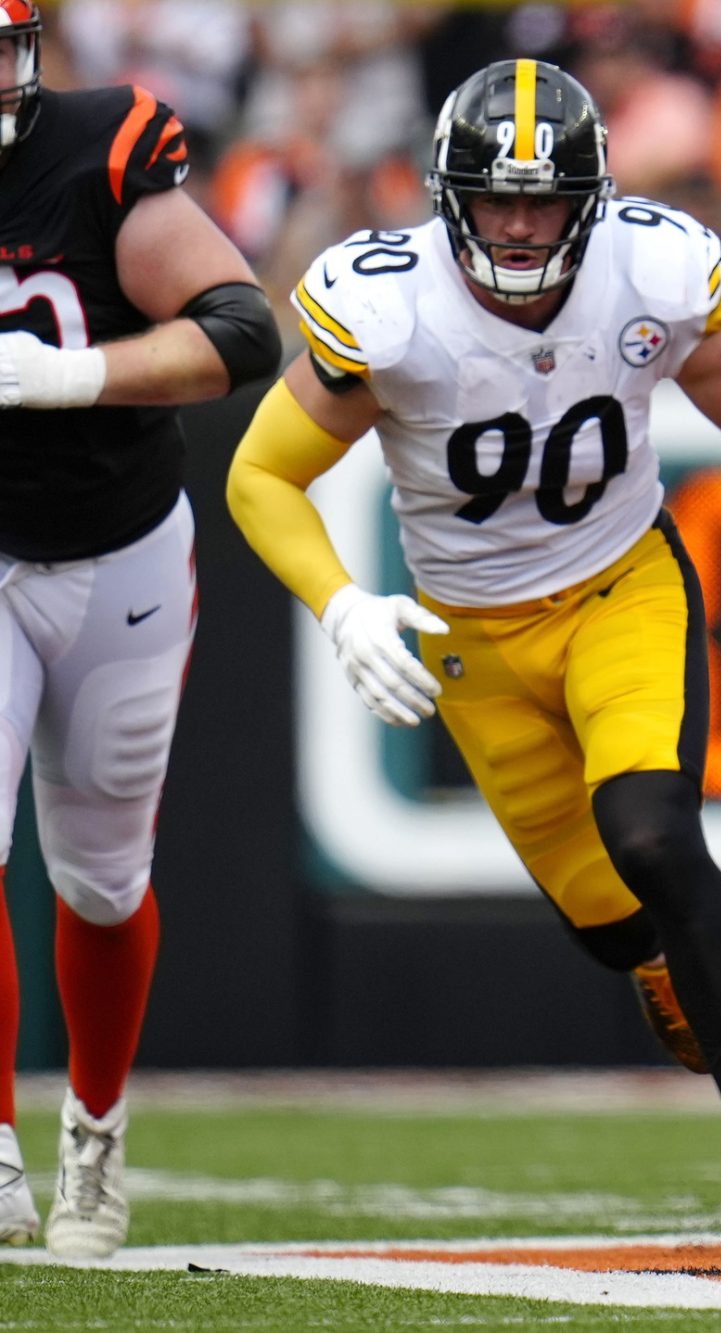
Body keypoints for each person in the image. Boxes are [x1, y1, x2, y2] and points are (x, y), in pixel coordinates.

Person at [224, 60, 721, 1256]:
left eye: (542, 200)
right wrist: (342, 604)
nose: (514, 221)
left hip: (621, 589)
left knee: (656, 835)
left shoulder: (651, 272)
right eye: (494, 199)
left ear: (590, 198)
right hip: (471, 638)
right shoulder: (386, 303)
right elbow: (259, 473)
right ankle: (665, 965)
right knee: (609, 924)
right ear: (448, 196)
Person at [0, 0, 282, 1258]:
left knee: (102, 876)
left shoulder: (101, 147)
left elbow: (241, 330)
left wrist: (78, 375)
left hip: (120, 547)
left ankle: (95, 1131)